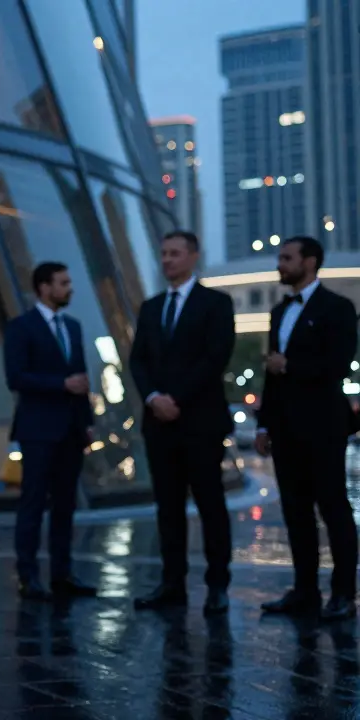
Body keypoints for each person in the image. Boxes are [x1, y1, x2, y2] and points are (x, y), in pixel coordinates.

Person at [129, 231, 234, 615]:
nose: (167, 260)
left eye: (174, 253)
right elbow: (137, 360)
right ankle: (171, 584)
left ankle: (217, 585)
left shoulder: (216, 303)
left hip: (200, 422)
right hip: (159, 424)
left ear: (193, 256)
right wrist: (155, 398)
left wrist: (177, 398)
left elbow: (215, 357)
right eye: (163, 253)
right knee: (168, 507)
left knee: (210, 504)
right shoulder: (151, 307)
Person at [255, 235, 358, 620]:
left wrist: (290, 367)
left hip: (323, 425)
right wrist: (263, 424)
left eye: (286, 258)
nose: (280, 264)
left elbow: (339, 364)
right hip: (284, 427)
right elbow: (271, 372)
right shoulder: (279, 311)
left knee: (333, 508)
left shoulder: (338, 308)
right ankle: (305, 590)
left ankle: (344, 594)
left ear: (310, 262)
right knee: (295, 511)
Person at [4, 262, 97, 601]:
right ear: (44, 287)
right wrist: (61, 384)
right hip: (38, 429)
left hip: (71, 430)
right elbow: (16, 377)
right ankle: (28, 576)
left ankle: (63, 574)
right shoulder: (20, 327)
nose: (69, 288)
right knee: (32, 503)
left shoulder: (72, 327)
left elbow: (82, 377)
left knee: (65, 505)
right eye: (63, 282)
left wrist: (87, 424)